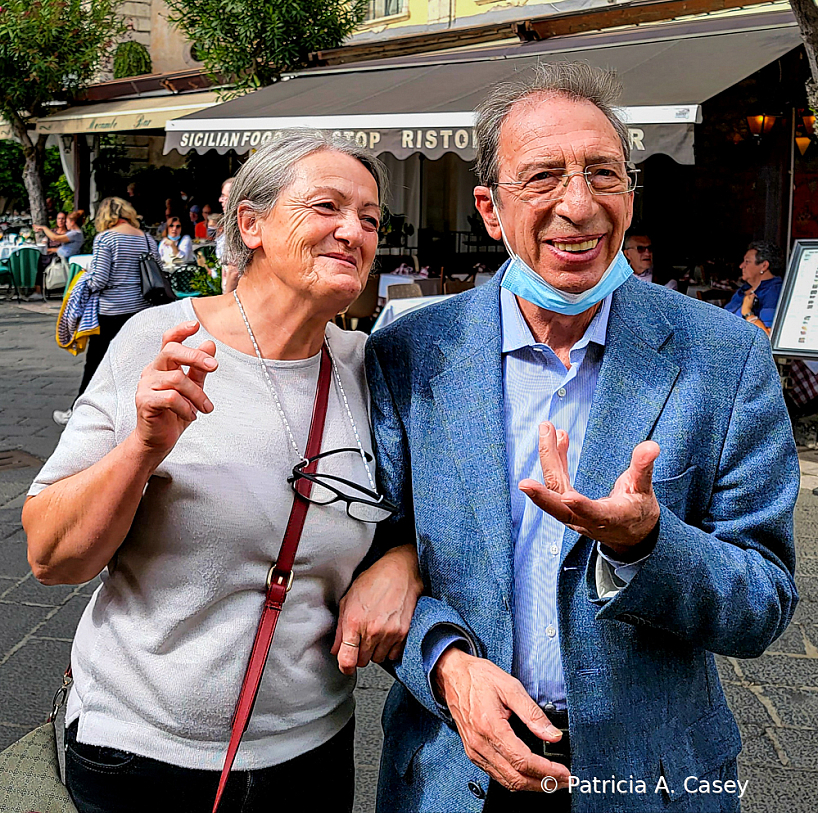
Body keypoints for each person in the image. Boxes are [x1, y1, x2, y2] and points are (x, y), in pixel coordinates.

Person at [366, 63, 799, 813]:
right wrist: (442, 661)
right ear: (491, 209)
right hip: (454, 767)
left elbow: (764, 598)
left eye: (604, 173)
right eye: (542, 177)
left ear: (630, 195)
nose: (579, 204)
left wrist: (646, 546)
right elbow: (368, 551)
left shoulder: (723, 357)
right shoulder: (412, 353)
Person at [23, 133, 423, 813]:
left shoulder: (373, 364)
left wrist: (406, 559)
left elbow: (430, 506)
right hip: (141, 752)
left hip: (311, 751)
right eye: (327, 205)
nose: (353, 231)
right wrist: (142, 449)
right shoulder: (162, 340)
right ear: (252, 223)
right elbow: (51, 556)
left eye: (370, 218)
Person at [51, 198, 160, 426]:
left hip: (112, 309)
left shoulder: (106, 238)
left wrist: (83, 280)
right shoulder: (147, 239)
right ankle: (132, 411)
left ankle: (78, 411)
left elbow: (100, 279)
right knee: (133, 361)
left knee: (96, 362)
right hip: (141, 308)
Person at [725, 240, 785, 335]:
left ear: (764, 266)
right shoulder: (744, 289)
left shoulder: (773, 293)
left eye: (747, 262)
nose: (741, 266)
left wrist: (748, 313)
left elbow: (767, 337)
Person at [28, 211, 87, 301]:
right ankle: (38, 289)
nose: (65, 224)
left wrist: (44, 228)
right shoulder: (74, 233)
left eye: (66, 221)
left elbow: (55, 238)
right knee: (42, 259)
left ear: (72, 222)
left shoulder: (74, 233)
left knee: (42, 261)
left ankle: (38, 290)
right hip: (61, 257)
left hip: (64, 260)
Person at [217, 177, 240, 294]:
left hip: (237, 294)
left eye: (226, 196)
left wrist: (226, 297)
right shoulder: (232, 224)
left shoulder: (239, 226)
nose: (221, 200)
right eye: (222, 196)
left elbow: (234, 269)